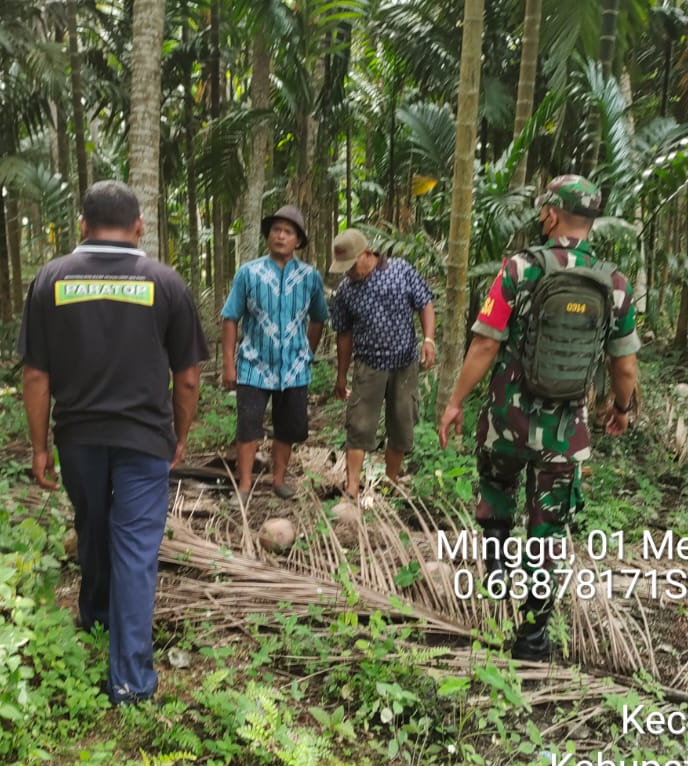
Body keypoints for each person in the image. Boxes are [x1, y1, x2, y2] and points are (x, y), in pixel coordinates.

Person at [437, 174, 639, 661]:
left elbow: (485, 344)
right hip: (564, 432)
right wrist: (621, 408)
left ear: (550, 214)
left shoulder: (519, 268)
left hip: (507, 418)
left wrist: (455, 400)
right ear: (591, 221)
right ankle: (531, 638)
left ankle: (498, 564)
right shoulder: (614, 283)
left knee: (496, 484)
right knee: (548, 531)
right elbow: (625, 366)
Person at [20, 180, 208, 705]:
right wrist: (179, 434)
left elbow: (36, 375)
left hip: (78, 438)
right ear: (139, 226)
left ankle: (96, 615)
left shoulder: (51, 280)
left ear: (82, 224)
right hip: (144, 438)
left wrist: (39, 446)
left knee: (94, 526)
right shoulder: (165, 282)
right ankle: (130, 679)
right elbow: (187, 378)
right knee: (135, 550)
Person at [221, 204, 330, 501]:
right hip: (253, 365)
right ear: (268, 235)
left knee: (288, 428)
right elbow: (230, 317)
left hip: (294, 368)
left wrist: (308, 352)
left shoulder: (309, 277)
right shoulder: (249, 273)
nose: (281, 236)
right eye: (276, 230)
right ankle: (244, 486)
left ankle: (278, 481)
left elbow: (319, 317)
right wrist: (229, 365)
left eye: (288, 232)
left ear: (298, 240)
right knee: (248, 426)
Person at [328, 228, 437, 499]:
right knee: (359, 426)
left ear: (367, 253)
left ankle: (390, 482)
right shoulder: (345, 291)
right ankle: (352, 488)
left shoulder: (400, 270)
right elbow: (344, 335)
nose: (349, 272)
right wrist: (341, 375)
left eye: (351, 265)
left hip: (404, 364)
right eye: (344, 268)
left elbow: (425, 303)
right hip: (368, 365)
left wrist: (429, 339)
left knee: (401, 424)